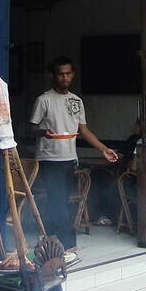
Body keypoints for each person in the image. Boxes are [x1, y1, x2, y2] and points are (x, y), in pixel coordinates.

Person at [29, 56, 118, 259]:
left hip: (69, 158)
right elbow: (32, 128)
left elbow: (83, 130)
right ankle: (66, 244)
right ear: (53, 75)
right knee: (56, 201)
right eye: (61, 74)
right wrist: (44, 133)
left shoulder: (76, 101)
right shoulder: (44, 100)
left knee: (65, 200)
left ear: (73, 75)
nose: (65, 78)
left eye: (68, 73)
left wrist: (103, 149)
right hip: (49, 159)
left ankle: (53, 241)